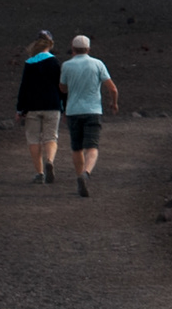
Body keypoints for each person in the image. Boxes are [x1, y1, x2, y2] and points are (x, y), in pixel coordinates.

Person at [58, 32, 118, 196]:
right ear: (88, 49)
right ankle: (86, 173)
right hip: (92, 111)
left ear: (73, 48)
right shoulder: (98, 64)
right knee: (92, 148)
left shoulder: (67, 66)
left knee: (76, 148)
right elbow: (112, 89)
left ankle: (79, 177)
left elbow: (62, 88)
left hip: (73, 111)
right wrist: (114, 103)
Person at [15, 29, 65, 182]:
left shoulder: (29, 63)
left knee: (33, 139)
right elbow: (61, 86)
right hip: (52, 105)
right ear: (51, 44)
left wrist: (20, 109)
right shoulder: (55, 62)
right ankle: (49, 160)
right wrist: (64, 105)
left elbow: (24, 88)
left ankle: (40, 173)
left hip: (33, 107)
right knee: (51, 137)